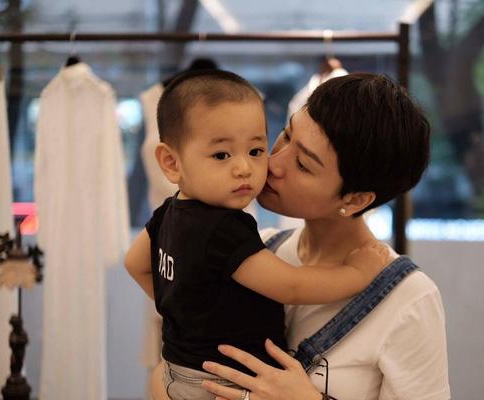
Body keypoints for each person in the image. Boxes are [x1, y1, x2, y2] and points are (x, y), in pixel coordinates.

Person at [124, 69, 393, 400]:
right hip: (223, 383)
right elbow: (292, 286)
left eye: (255, 151)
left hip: (178, 372)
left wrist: (184, 310)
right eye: (221, 155)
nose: (244, 168)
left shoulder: (168, 212)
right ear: (171, 162)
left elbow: (135, 263)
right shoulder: (224, 229)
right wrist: (359, 273)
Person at [186, 72, 449, 400]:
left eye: (303, 165)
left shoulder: (409, 299)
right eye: (285, 135)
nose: (273, 162)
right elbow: (166, 374)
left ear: (356, 199)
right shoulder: (255, 251)